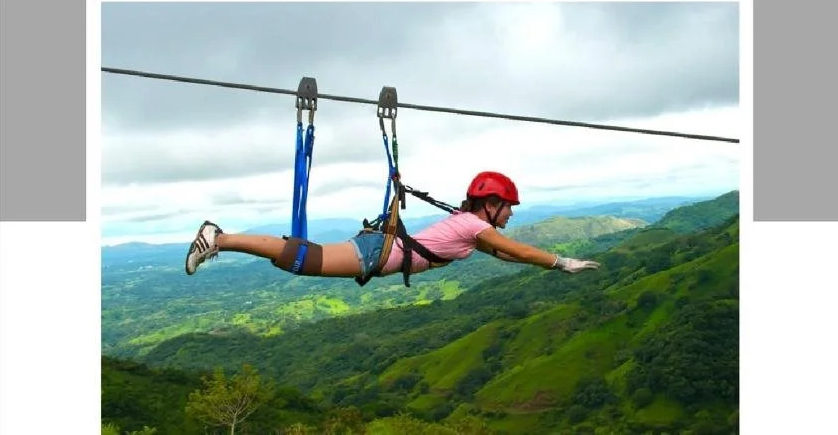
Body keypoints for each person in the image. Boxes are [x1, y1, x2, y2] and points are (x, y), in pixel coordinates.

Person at [184, 171, 601, 279]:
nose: (510, 215)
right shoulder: (474, 227)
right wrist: (562, 262)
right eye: (507, 207)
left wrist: (548, 265)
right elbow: (521, 251)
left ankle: (221, 239)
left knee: (301, 258)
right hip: (377, 254)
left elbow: (512, 258)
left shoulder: (469, 230)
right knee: (301, 258)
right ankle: (219, 238)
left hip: (377, 253)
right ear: (489, 205)